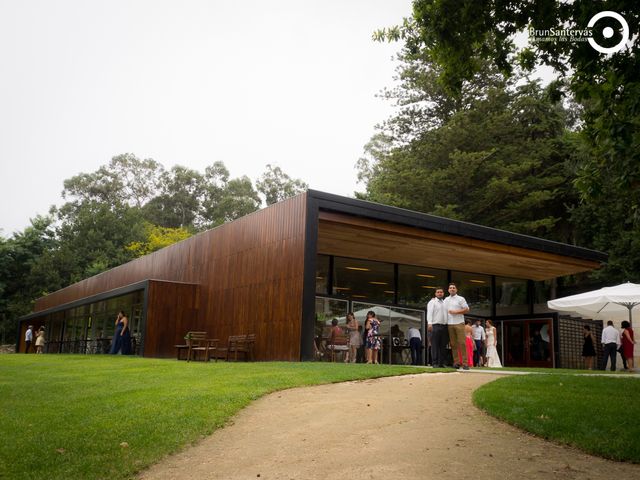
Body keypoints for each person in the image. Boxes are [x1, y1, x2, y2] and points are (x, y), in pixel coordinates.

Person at [444, 283, 470, 370]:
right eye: (450, 288)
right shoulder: (446, 300)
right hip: (450, 324)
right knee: (453, 344)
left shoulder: (461, 298)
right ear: (448, 290)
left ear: (456, 290)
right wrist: (434, 300)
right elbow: (441, 308)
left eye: (453, 288)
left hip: (459, 323)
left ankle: (465, 363)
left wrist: (456, 312)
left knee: (462, 343)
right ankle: (456, 362)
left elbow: (467, 309)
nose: (452, 289)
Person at [427, 287, 448, 368]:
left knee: (443, 346)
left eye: (441, 292)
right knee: (435, 345)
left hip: (444, 326)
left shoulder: (445, 302)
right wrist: (429, 323)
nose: (440, 293)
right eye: (438, 292)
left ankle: (441, 363)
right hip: (435, 326)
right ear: (435, 294)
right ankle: (434, 362)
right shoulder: (432, 302)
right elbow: (429, 313)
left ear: (443, 293)